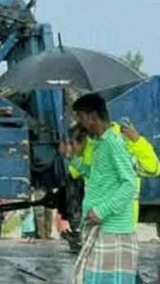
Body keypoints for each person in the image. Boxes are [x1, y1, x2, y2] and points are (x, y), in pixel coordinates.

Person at [63, 93, 138, 284]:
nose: (79, 122)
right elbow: (96, 175)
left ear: (92, 116)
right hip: (102, 225)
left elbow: (129, 183)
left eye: (80, 116)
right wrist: (72, 158)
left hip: (113, 228)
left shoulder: (113, 143)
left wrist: (102, 210)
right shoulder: (100, 144)